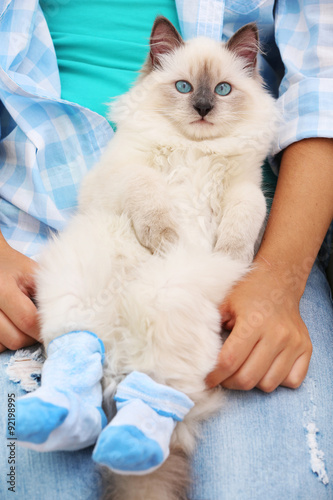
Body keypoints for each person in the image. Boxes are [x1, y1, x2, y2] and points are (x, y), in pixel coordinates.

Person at [0, 0, 332, 498]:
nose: (202, 105)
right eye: (184, 88)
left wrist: (277, 280)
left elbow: (323, 86)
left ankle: (151, 409)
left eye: (220, 91)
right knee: (36, 477)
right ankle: (73, 391)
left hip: (247, 270)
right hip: (32, 240)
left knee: (262, 486)